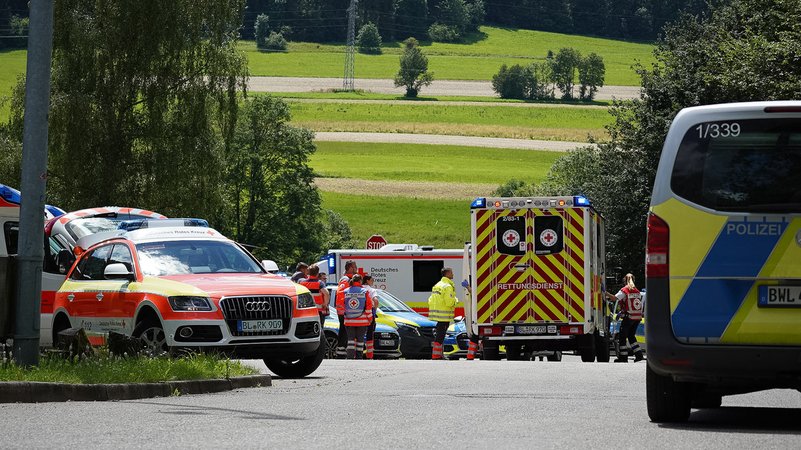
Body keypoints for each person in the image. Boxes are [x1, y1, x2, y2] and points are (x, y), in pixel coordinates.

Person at [605, 273, 645, 363]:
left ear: (624, 281)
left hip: (629, 318)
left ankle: (623, 357)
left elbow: (614, 298)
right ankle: (639, 355)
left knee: (622, 337)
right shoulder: (637, 291)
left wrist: (604, 292)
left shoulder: (625, 290)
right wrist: (621, 312)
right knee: (631, 336)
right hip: (637, 318)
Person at [428, 267, 458, 360]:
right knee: (441, 336)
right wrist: (455, 300)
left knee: (439, 335)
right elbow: (449, 302)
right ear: (447, 274)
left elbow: (430, 300)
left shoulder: (437, 285)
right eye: (451, 273)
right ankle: (436, 355)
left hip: (437, 315)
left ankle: (438, 354)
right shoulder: (447, 287)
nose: (453, 274)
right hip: (444, 316)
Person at [343, 274, 374, 359]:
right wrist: (370, 318)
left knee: (350, 340)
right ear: (360, 281)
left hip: (349, 321)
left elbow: (342, 305)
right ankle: (359, 358)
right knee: (360, 341)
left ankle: (350, 357)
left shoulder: (345, 291)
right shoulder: (364, 291)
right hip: (362, 321)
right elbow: (368, 307)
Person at [335, 260, 357, 358]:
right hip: (344, 310)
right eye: (355, 266)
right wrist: (345, 307)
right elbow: (340, 294)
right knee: (344, 330)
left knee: (346, 330)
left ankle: (343, 349)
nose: (356, 268)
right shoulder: (345, 279)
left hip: (346, 309)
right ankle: (341, 350)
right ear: (351, 268)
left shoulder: (349, 279)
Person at [461, 279, 480, 361]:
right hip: (480, 314)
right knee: (475, 335)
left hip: (479, 314)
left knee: (475, 335)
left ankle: (470, 356)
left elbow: (476, 294)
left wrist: (468, 286)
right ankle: (470, 356)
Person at [362, 274, 378, 359]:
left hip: (359, 313)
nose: (373, 282)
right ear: (367, 281)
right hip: (370, 313)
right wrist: (374, 310)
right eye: (372, 280)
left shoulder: (359, 289)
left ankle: (357, 353)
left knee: (358, 334)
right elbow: (376, 301)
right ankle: (369, 355)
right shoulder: (371, 290)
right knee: (369, 334)